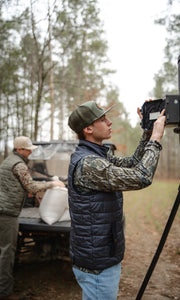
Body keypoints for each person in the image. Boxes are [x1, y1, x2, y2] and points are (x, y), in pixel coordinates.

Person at [67, 101, 166, 300]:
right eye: (103, 120)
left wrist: (147, 131)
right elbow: (141, 176)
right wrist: (155, 139)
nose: (110, 123)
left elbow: (131, 164)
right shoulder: (89, 163)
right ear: (88, 129)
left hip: (102, 254)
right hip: (98, 262)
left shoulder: (96, 155)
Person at [0, 136, 65, 300]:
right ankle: (5, 292)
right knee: (7, 251)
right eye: (28, 149)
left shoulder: (8, 161)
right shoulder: (19, 164)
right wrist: (52, 184)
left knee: (3, 249)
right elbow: (31, 186)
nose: (30, 152)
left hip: (3, 209)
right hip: (7, 212)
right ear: (20, 149)